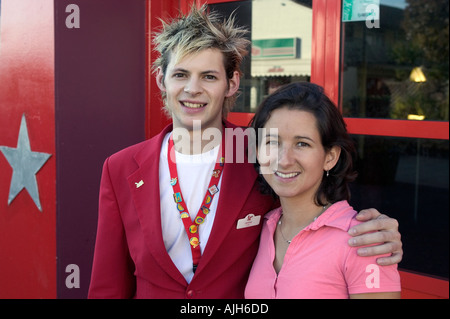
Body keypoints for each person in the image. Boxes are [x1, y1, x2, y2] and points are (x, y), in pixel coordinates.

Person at [88, 5, 402, 299]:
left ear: (232, 83)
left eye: (209, 76)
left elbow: (313, 201)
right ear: (162, 80)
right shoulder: (122, 167)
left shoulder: (258, 152)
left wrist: (377, 232)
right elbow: (109, 281)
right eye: (181, 74)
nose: (193, 89)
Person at [245, 82, 401, 298]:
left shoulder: (363, 240)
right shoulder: (262, 227)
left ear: (330, 157)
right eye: (272, 142)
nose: (284, 160)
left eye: (302, 144)